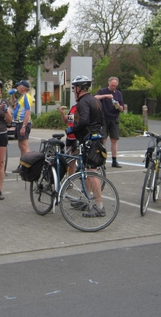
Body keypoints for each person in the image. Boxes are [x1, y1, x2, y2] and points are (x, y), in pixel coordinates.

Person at [67, 75, 106, 218]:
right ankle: (86, 199)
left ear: (79, 88)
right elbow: (102, 121)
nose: (73, 90)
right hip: (95, 139)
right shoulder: (95, 100)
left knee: (91, 174)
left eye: (74, 88)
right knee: (86, 172)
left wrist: (73, 129)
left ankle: (99, 206)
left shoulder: (83, 102)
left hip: (90, 140)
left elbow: (83, 120)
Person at [95, 76, 124, 168]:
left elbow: (122, 109)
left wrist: (118, 106)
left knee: (114, 140)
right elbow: (95, 97)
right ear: (109, 84)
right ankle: (102, 161)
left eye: (115, 86)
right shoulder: (103, 91)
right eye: (112, 85)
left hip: (114, 118)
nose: (113, 87)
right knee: (103, 139)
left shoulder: (119, 94)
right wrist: (106, 96)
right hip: (104, 118)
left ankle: (114, 160)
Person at [10, 80, 34, 173]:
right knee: (21, 145)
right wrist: (12, 95)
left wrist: (24, 126)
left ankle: (29, 166)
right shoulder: (22, 97)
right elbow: (14, 104)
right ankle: (22, 166)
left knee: (24, 146)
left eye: (18, 86)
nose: (17, 88)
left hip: (23, 123)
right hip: (19, 123)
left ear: (24, 88)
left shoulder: (26, 97)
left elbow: (28, 112)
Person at [58, 103, 78, 176]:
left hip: (77, 137)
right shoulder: (73, 107)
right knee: (69, 159)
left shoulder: (83, 106)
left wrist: (71, 117)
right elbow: (66, 120)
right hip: (70, 137)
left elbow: (80, 118)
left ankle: (70, 178)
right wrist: (63, 114)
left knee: (73, 160)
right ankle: (68, 179)